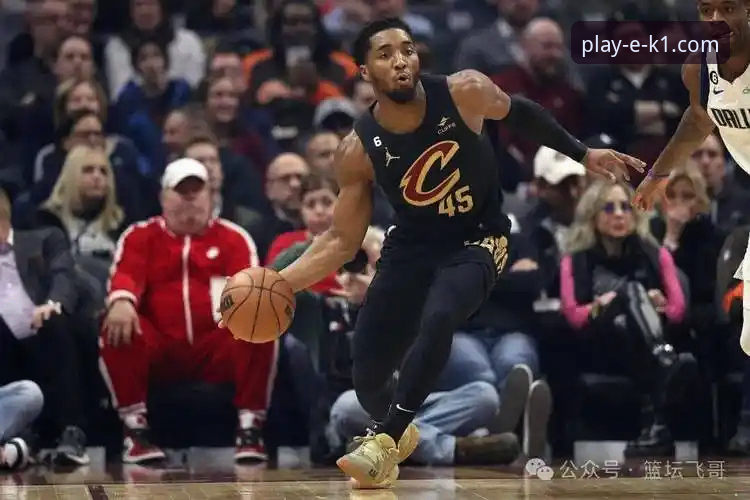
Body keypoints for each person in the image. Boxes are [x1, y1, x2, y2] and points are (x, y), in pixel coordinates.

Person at [223, 18, 644, 488]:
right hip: (412, 244)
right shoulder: (357, 149)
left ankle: (384, 441)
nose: (401, 60)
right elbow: (341, 239)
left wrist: (582, 153)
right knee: (366, 372)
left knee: (441, 313)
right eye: (385, 54)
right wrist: (280, 283)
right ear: (364, 71)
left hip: (478, 237)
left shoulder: (464, 91)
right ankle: (405, 433)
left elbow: (520, 112)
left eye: (407, 49)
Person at [99, 158, 277, 464]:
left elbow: (247, 288)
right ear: (163, 197)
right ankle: (135, 429)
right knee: (117, 319)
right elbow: (125, 275)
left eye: (197, 190)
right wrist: (122, 301)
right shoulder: (140, 236)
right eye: (182, 191)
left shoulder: (234, 238)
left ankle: (250, 428)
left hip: (216, 347)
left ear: (211, 196)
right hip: (160, 348)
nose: (190, 198)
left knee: (260, 322)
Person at [633, 0, 750, 355]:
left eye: (728, 8)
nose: (716, 19)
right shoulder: (698, 67)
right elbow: (699, 120)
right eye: (706, 9)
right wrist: (659, 173)